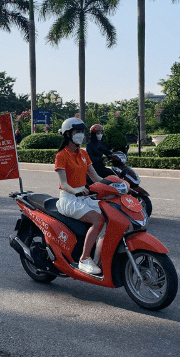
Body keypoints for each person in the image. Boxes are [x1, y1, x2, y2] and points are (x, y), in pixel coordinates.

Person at [54, 117, 109, 275]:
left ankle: (99, 257)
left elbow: (96, 177)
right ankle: (84, 259)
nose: (81, 134)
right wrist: (76, 191)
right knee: (98, 220)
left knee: (110, 216)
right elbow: (64, 184)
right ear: (68, 134)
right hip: (70, 199)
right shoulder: (61, 156)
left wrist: (114, 184)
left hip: (84, 198)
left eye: (82, 132)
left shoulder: (84, 154)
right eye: (78, 131)